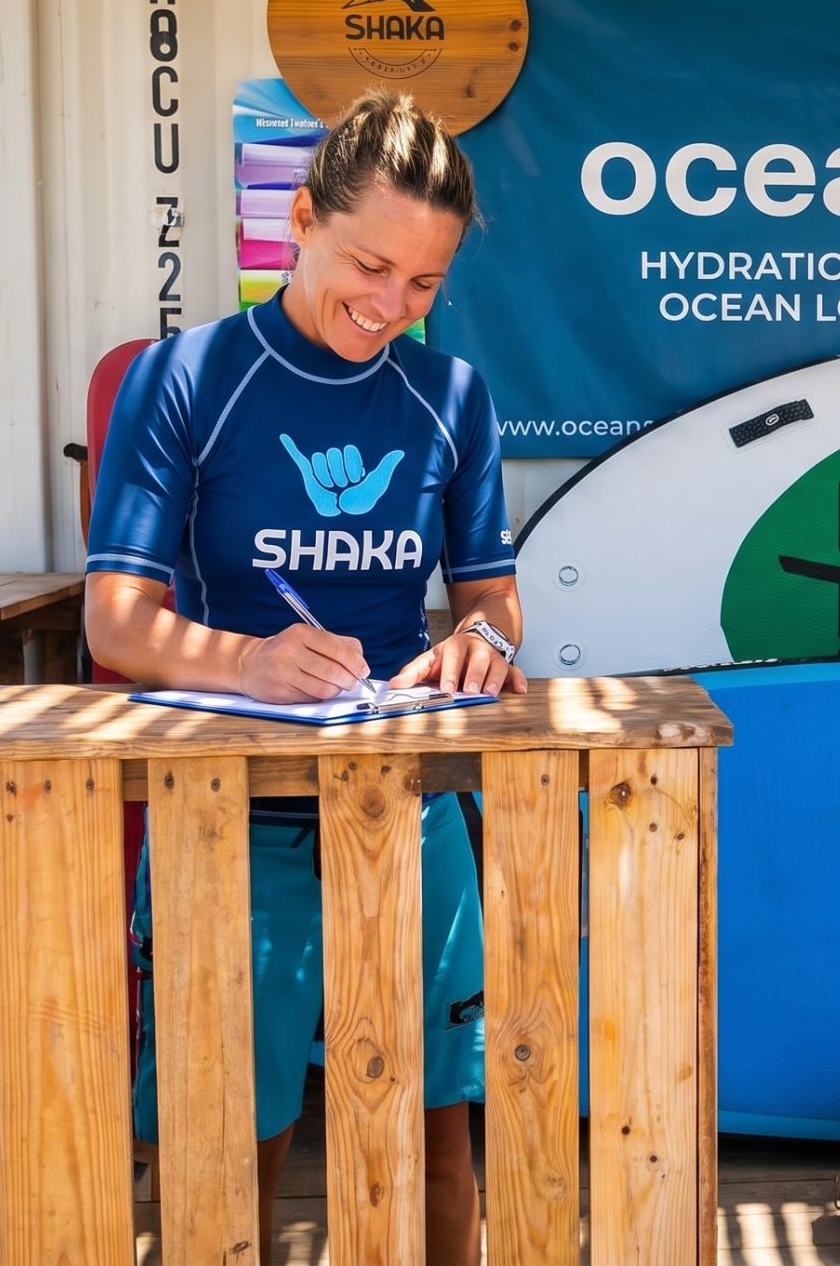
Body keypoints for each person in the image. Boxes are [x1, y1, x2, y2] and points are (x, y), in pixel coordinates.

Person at [83, 89, 522, 1262]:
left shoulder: (455, 398)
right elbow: (117, 621)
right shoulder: (180, 377)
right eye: (369, 264)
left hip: (411, 812)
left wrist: (489, 643)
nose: (389, 307)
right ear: (297, 220)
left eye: (423, 284)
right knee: (230, 1135)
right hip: (234, 822)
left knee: (438, 1132)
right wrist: (249, 659)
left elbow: (490, 594)